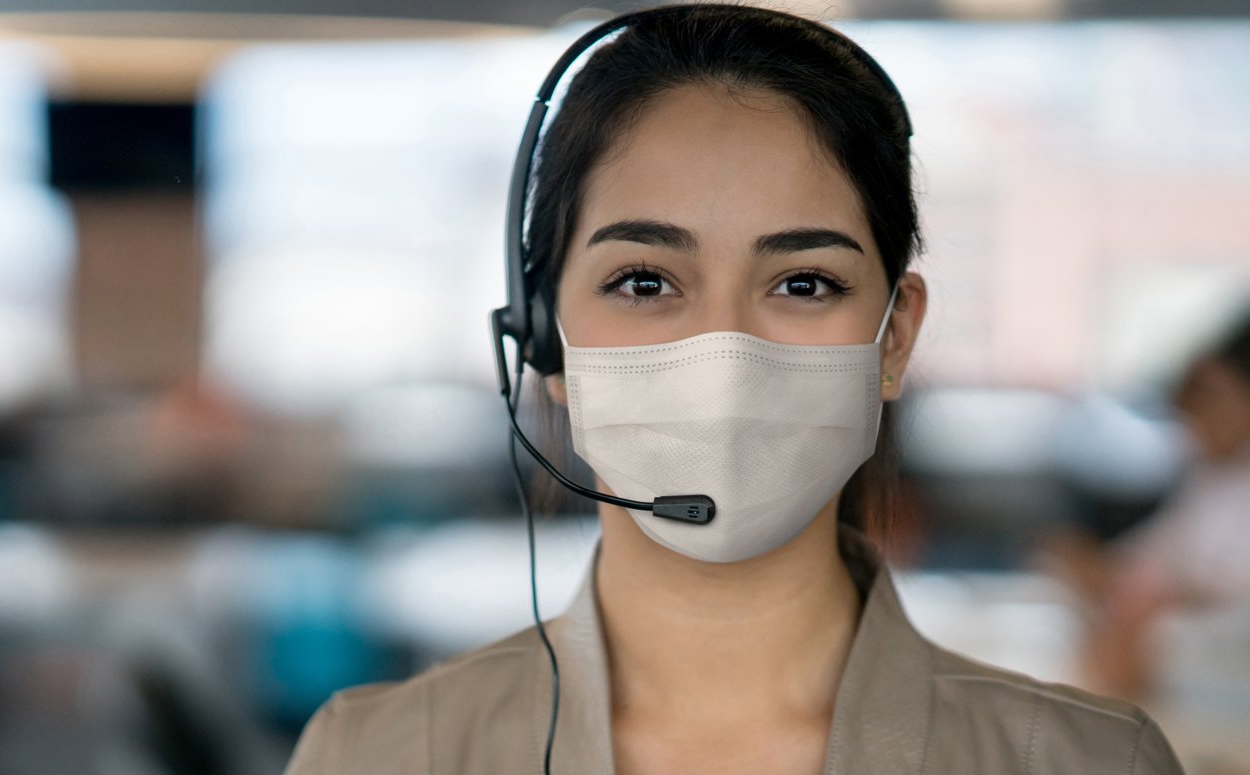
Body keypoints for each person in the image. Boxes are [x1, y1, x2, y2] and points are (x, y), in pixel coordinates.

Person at [285, 5, 1185, 773]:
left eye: (803, 284)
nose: (725, 355)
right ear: (543, 340)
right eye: (644, 282)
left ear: (894, 338)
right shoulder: (378, 754)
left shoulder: (1084, 761)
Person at [1068, 311, 1250, 700]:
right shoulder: (1211, 476)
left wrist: (1161, 607)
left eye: (1213, 398)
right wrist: (1103, 570)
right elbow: (1156, 553)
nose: (1194, 421)